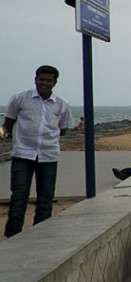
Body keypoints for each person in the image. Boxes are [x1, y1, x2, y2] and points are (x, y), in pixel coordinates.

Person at [4, 65, 74, 237]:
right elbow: (9, 122)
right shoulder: (20, 99)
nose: (44, 83)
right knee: (19, 196)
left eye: (48, 80)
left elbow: (63, 129)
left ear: (54, 83)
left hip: (48, 156)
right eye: (41, 79)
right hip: (23, 154)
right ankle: (13, 236)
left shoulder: (62, 105)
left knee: (45, 198)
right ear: (35, 79)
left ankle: (39, 237)